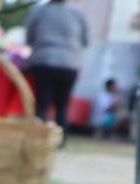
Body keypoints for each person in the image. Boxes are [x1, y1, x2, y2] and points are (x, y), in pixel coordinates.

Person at [24, 0, 90, 129]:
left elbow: (29, 38)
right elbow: (85, 41)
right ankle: (60, 139)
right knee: (63, 105)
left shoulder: (39, 11)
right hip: (70, 63)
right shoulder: (78, 13)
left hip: (44, 61)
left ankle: (39, 138)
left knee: (42, 104)